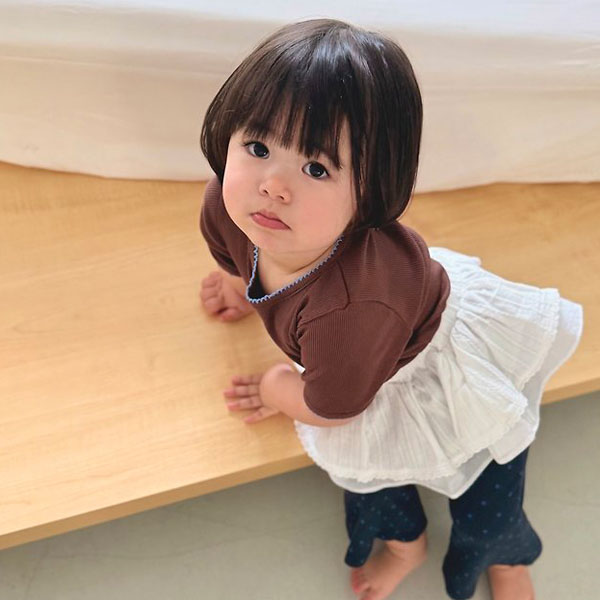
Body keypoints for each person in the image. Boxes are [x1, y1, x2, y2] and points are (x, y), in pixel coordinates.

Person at [198, 18, 584, 600]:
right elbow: (235, 252)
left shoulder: (353, 309)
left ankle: (505, 555)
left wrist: (279, 388)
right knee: (375, 488)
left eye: (317, 168)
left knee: (488, 487)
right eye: (258, 147)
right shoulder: (228, 206)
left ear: (371, 191)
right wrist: (239, 285)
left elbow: (333, 410)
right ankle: (408, 546)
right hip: (357, 362)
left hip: (430, 367)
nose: (272, 186)